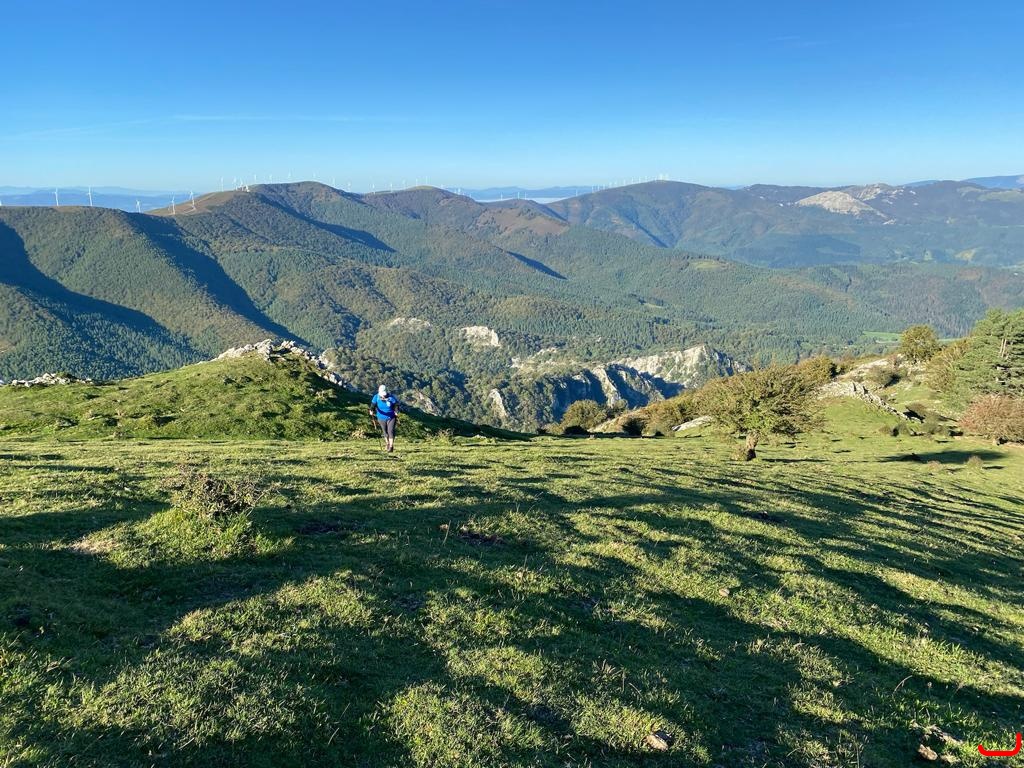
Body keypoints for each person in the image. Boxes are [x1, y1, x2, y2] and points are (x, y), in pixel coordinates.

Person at [369, 384, 400, 452]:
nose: (383, 396)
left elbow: (396, 405)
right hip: (381, 417)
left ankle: (391, 447)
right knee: (385, 432)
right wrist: (371, 410)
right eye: (382, 395)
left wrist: (396, 411)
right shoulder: (376, 397)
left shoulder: (391, 397)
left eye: (384, 395)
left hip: (391, 417)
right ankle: (387, 444)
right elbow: (373, 405)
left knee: (390, 431)